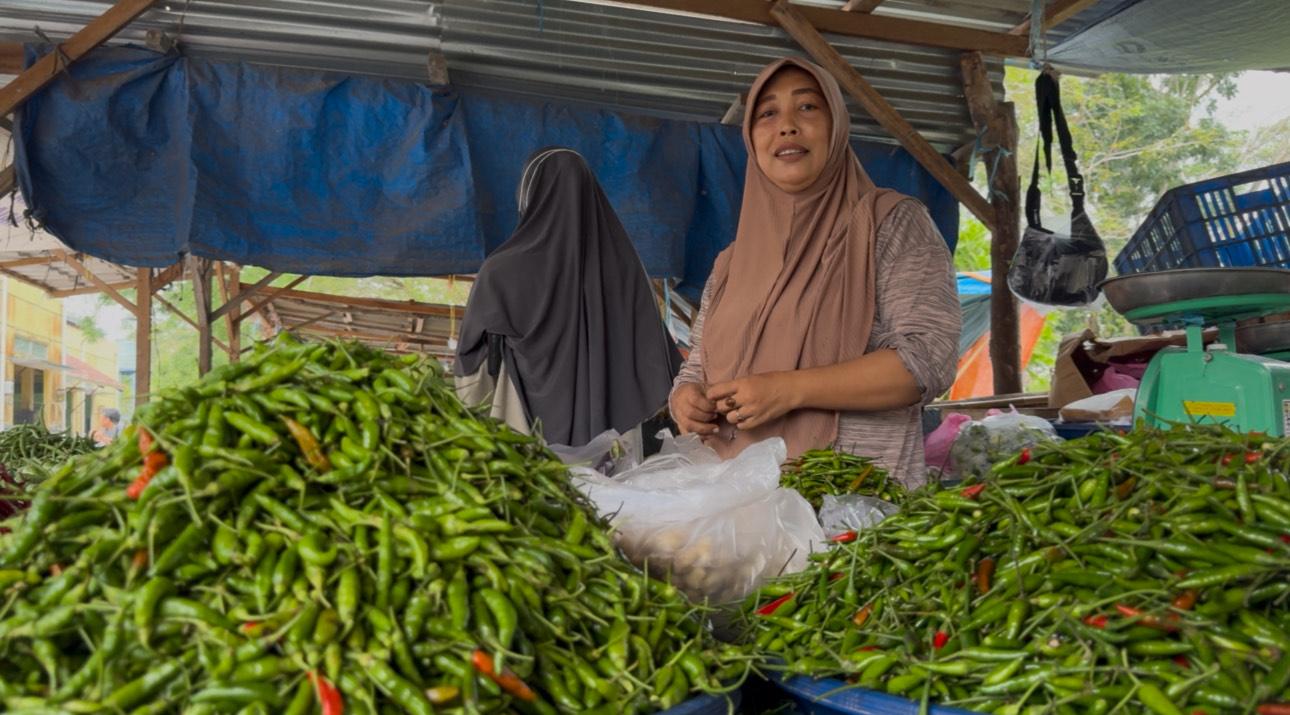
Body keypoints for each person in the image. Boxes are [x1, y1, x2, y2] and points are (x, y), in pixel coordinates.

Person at [669, 58, 960, 486]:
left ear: (837, 127)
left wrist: (789, 390)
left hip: (854, 514)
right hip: (739, 510)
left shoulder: (892, 224)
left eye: (807, 108)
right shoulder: (730, 263)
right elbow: (698, 367)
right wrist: (684, 400)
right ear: (750, 138)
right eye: (767, 113)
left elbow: (927, 360)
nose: (786, 125)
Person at [456, 147, 682, 449]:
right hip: (621, 448)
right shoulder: (630, 272)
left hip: (526, 443)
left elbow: (473, 366)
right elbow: (659, 360)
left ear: (529, 196)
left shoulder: (501, 271)